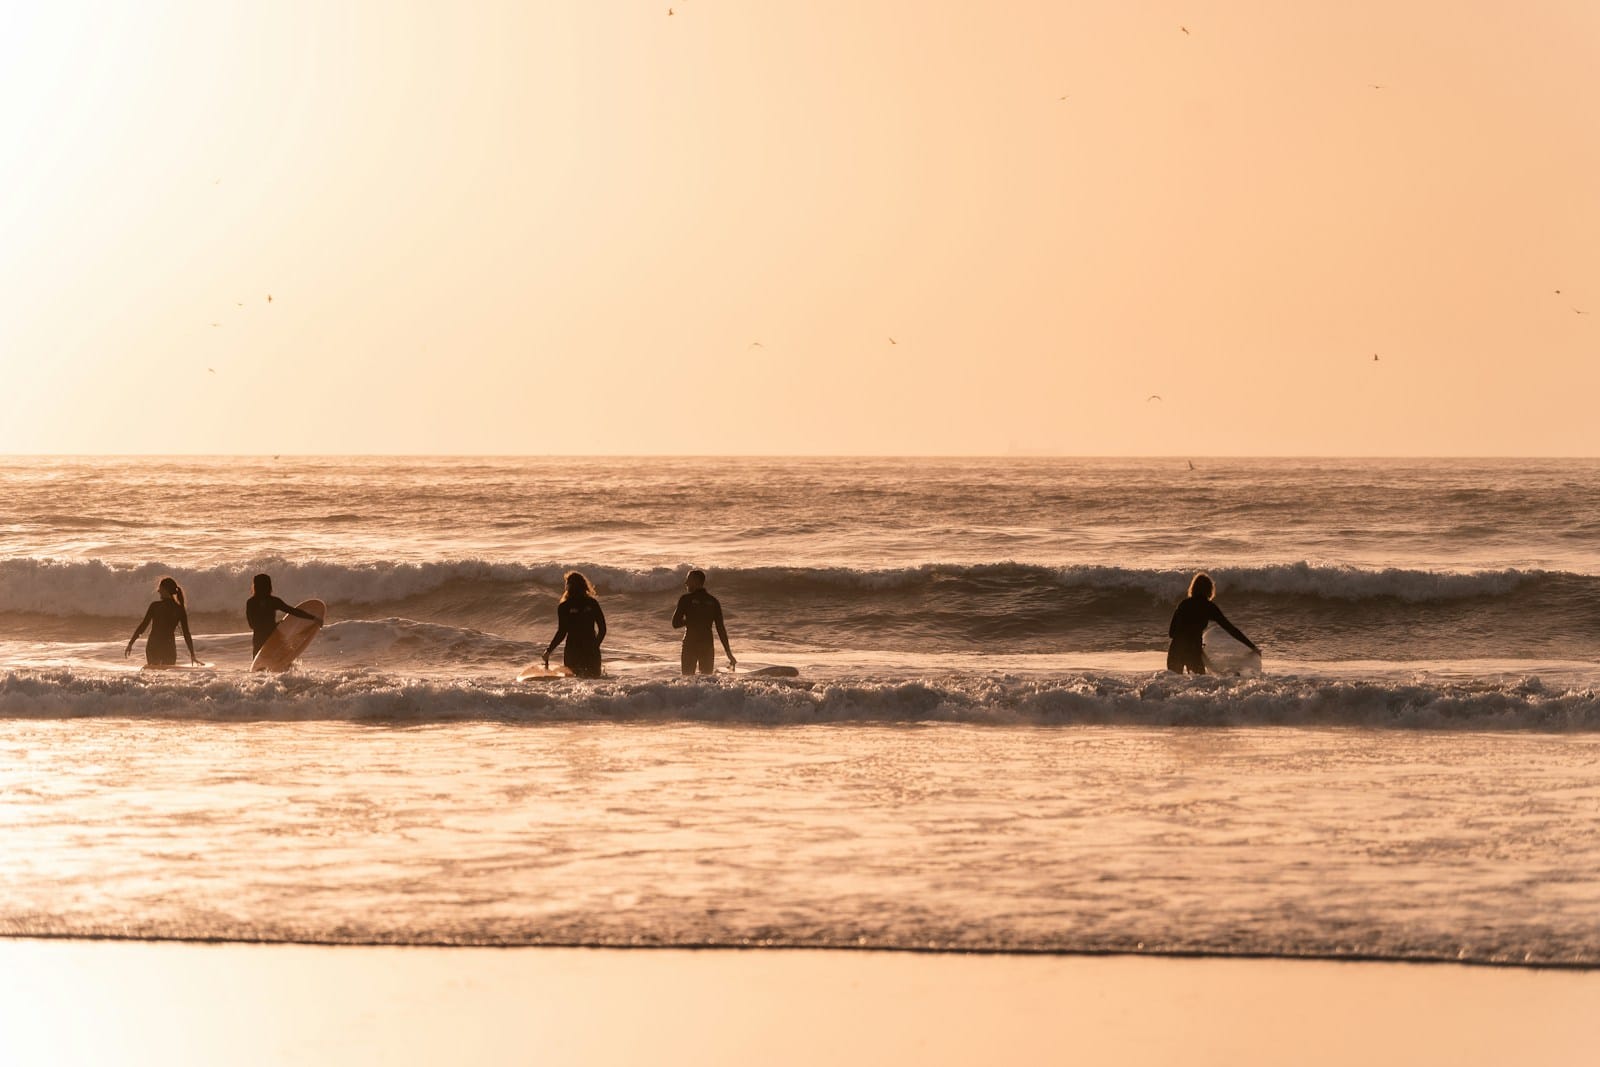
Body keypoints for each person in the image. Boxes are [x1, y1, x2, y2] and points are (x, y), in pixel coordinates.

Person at [1167, 571, 1257, 674]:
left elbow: (1171, 633)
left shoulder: (1183, 604)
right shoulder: (1208, 607)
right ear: (1210, 590)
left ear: (1193, 588)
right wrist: (1252, 646)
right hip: (1193, 650)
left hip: (1175, 649)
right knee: (1198, 686)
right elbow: (1230, 629)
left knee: (1173, 685)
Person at [543, 571, 607, 678]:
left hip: (573, 651)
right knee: (595, 682)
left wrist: (549, 651)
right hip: (591, 649)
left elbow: (562, 632)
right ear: (584, 585)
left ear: (568, 587)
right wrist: (595, 646)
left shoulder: (564, 607)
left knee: (574, 683)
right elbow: (603, 629)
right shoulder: (592, 603)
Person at [671, 569, 736, 675]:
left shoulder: (685, 599)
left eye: (688, 579)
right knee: (706, 679)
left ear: (696, 581)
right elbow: (721, 629)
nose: (686, 583)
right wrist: (728, 653)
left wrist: (689, 620)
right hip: (707, 645)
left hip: (690, 644)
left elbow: (675, 623)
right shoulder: (713, 601)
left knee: (687, 680)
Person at [126, 576, 197, 667]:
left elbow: (143, 626)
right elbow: (186, 633)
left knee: (153, 677)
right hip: (169, 647)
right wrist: (192, 654)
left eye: (160, 588)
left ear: (165, 590)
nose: (158, 591)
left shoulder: (155, 606)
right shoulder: (179, 609)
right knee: (167, 677)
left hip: (153, 646)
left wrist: (131, 643)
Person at [245, 573, 318, 657]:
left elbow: (252, 625)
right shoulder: (273, 601)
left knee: (258, 667)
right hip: (274, 636)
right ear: (269, 586)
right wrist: (313, 618)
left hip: (259, 638)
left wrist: (312, 618)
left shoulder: (251, 602)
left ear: (255, 586)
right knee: (284, 661)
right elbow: (292, 611)